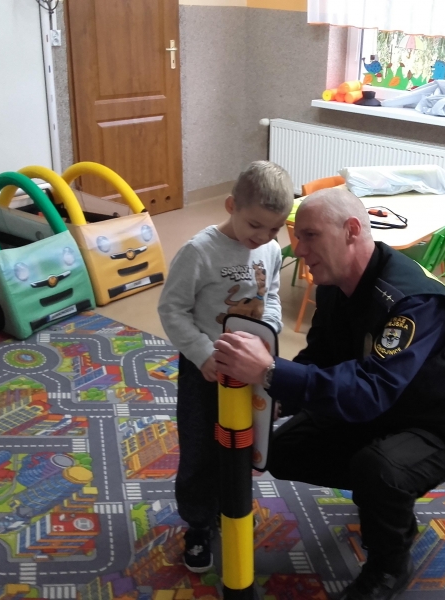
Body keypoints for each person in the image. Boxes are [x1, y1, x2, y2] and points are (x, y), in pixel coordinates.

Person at [213, 187, 445, 600]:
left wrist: (271, 371)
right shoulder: (335, 284)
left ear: (350, 230)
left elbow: (370, 390)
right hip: (382, 407)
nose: (298, 248)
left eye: (310, 236)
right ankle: (382, 496)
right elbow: (321, 356)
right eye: (297, 236)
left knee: (379, 471)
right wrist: (276, 399)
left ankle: (388, 566)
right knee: (283, 450)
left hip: (444, 425)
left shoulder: (412, 302)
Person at [157, 161, 294, 573]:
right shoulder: (199, 252)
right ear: (232, 205)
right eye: (255, 225)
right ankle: (199, 523)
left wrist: (269, 329)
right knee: (201, 446)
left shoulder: (270, 250)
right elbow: (172, 309)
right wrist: (203, 354)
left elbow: (271, 297)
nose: (264, 236)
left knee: (244, 444)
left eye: (274, 229)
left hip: (251, 371)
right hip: (206, 372)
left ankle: (230, 505)